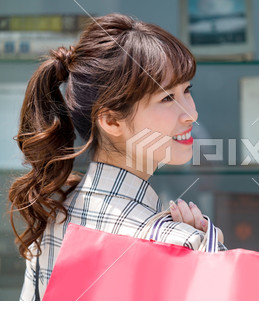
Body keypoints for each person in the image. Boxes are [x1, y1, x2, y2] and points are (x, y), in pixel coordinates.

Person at [7, 13, 227, 301]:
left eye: (187, 90)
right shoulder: (183, 244)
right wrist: (211, 251)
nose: (192, 114)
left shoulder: (54, 216)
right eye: (167, 98)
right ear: (111, 121)